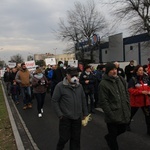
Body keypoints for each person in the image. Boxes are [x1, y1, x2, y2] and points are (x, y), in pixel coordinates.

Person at [52, 67, 88, 150]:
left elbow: (83, 99)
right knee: (64, 138)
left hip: (77, 117)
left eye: (76, 75)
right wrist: (60, 115)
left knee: (76, 139)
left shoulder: (79, 86)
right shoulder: (60, 86)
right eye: (72, 76)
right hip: (65, 118)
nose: (74, 78)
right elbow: (54, 101)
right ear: (67, 75)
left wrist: (85, 113)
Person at [99, 62, 131, 150]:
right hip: (112, 114)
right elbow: (103, 101)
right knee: (113, 137)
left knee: (123, 129)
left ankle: (108, 137)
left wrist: (128, 105)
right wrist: (110, 114)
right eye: (112, 70)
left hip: (122, 111)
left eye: (115, 69)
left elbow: (126, 93)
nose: (114, 71)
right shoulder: (103, 84)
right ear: (107, 72)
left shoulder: (120, 79)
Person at [127, 65, 150, 135]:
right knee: (131, 114)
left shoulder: (146, 79)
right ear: (136, 71)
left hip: (145, 101)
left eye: (142, 70)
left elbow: (148, 87)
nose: (142, 71)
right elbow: (130, 90)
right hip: (136, 101)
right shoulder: (133, 80)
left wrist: (148, 92)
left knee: (148, 116)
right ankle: (127, 125)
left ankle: (149, 130)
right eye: (140, 70)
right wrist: (141, 92)